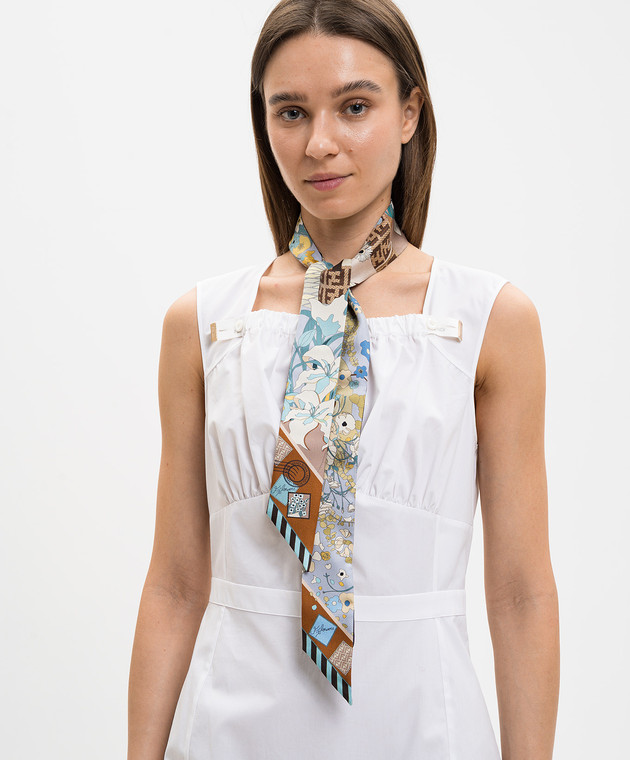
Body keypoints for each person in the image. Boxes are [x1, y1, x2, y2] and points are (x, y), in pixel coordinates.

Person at [127, 0, 560, 757]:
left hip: (424, 727)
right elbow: (174, 584)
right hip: (231, 728)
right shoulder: (202, 325)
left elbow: (521, 593)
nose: (319, 143)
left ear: (409, 112)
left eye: (354, 106)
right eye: (290, 112)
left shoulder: (489, 319)